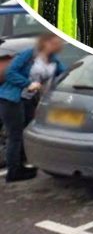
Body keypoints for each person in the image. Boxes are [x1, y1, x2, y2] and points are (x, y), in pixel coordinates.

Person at [0, 33, 65, 182]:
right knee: (15, 135)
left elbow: (63, 74)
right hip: (11, 98)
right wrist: (28, 84)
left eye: (58, 43)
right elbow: (10, 73)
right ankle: (13, 172)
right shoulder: (29, 54)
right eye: (53, 43)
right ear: (44, 42)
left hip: (27, 100)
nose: (57, 46)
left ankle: (22, 165)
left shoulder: (54, 60)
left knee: (25, 132)